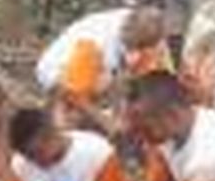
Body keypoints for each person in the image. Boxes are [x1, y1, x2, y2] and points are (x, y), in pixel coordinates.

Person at [35, 6, 171, 119]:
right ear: (126, 31)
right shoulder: (96, 44)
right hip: (58, 72)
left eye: (141, 46)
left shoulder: (139, 22)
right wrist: (106, 122)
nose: (136, 52)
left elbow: (152, 70)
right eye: (134, 45)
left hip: (94, 68)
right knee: (77, 108)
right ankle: (65, 124)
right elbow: (73, 94)